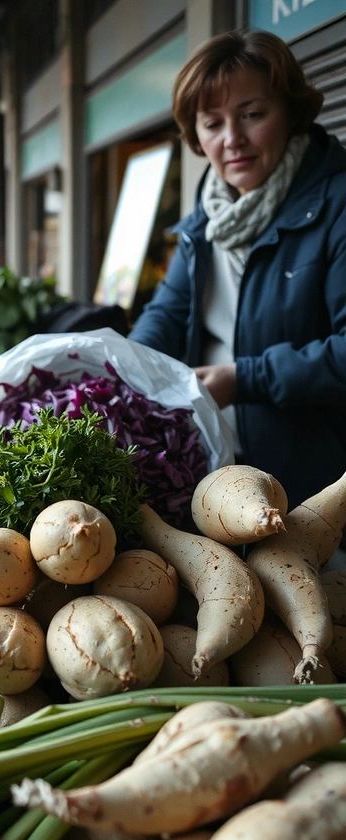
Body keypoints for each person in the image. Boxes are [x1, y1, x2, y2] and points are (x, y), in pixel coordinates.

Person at [129, 29, 346, 510]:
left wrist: (244, 379)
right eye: (212, 123)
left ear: (290, 112)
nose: (232, 140)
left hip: (314, 489)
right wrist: (122, 370)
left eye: (252, 115)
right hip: (213, 477)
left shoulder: (337, 205)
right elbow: (168, 312)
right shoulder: (207, 217)